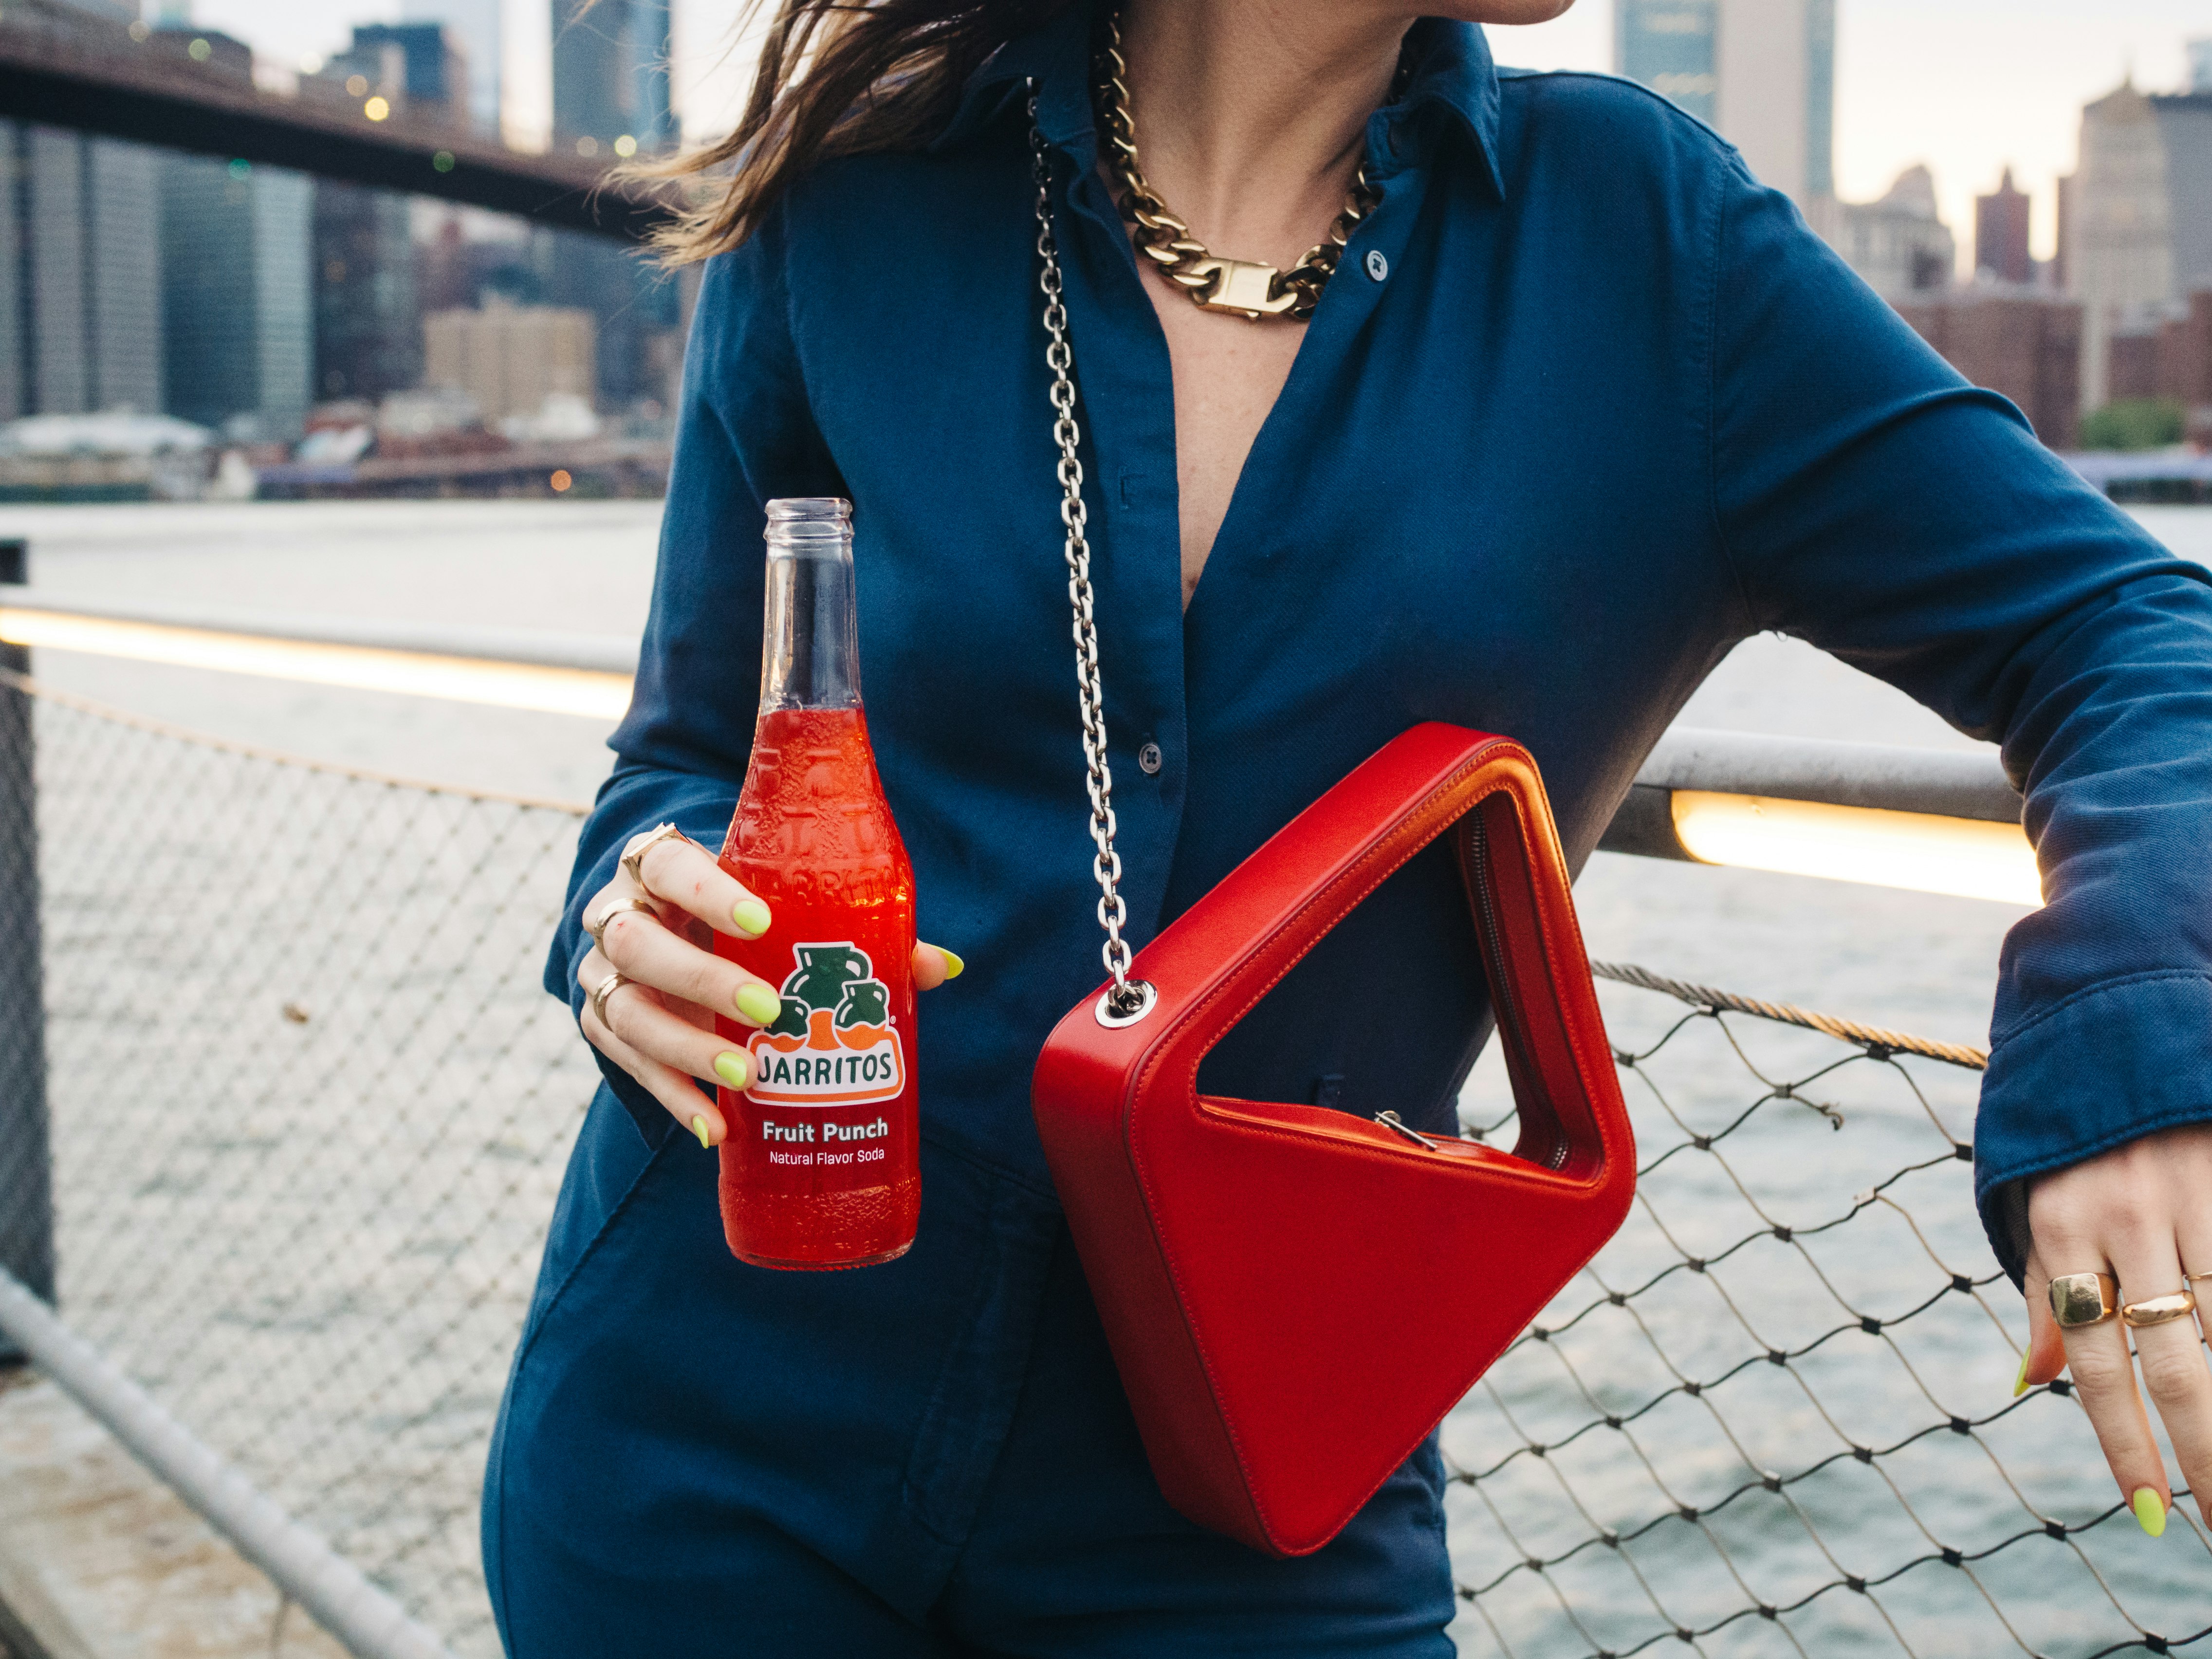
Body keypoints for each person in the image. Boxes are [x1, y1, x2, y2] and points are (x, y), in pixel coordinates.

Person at [483, 0, 2212, 1650]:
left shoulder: (1647, 253)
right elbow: (687, 755)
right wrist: (631, 928)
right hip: (704, 1431)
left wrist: (2123, 1038)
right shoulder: (849, 204)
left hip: (1257, 1477)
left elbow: (2132, 637)